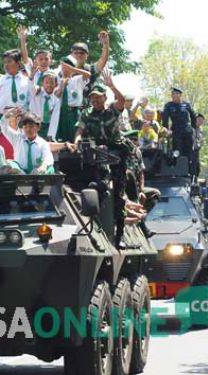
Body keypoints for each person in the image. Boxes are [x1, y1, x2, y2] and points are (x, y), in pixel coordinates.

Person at [74, 70, 129, 248]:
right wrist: (76, 141)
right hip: (98, 152)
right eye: (92, 98)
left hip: (117, 152)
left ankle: (119, 237)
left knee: (119, 197)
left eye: (98, 97)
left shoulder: (112, 110)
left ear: (105, 97)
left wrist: (112, 86)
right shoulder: (87, 114)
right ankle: (99, 188)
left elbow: (122, 102)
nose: (95, 101)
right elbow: (80, 130)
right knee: (98, 180)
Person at [1, 109, 55, 174]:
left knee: (50, 168)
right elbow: (3, 127)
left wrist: (43, 166)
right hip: (20, 171)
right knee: (10, 163)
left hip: (37, 172)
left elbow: (48, 157)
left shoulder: (43, 143)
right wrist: (7, 115)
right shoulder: (17, 138)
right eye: (25, 127)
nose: (28, 129)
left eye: (31, 127)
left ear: (38, 128)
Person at [51, 55, 91, 142]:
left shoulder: (77, 80)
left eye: (66, 67)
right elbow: (57, 95)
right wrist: (62, 85)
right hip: (62, 113)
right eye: (62, 67)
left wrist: (73, 69)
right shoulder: (58, 80)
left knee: (75, 135)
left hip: (74, 112)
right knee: (62, 137)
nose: (64, 69)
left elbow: (88, 75)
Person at [69, 31, 110, 105]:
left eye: (82, 53)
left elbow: (103, 60)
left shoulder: (92, 69)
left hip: (87, 111)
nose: (78, 55)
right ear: (71, 55)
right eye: (75, 53)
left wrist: (105, 44)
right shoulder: (64, 72)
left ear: (87, 55)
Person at [0, 49, 31, 119]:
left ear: (18, 63)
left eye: (9, 61)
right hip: (2, 118)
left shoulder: (27, 81)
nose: (6, 65)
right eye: (5, 62)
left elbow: (30, 102)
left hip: (21, 119)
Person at [161, 87, 198, 164]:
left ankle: (189, 165)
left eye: (176, 94)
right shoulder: (169, 105)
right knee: (177, 149)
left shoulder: (186, 104)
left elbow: (193, 116)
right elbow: (165, 119)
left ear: (180, 95)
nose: (174, 96)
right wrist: (166, 129)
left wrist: (194, 128)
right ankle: (177, 165)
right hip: (176, 130)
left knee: (189, 148)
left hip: (186, 129)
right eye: (173, 94)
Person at [28, 71, 60, 140]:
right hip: (35, 125)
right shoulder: (37, 93)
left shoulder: (56, 100)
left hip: (48, 127)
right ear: (42, 83)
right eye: (46, 82)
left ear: (56, 84)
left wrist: (51, 135)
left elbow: (55, 119)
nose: (49, 85)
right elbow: (31, 88)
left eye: (52, 82)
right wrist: (31, 78)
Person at [192, 114, 206, 180]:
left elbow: (201, 139)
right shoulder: (190, 128)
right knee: (192, 167)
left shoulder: (200, 129)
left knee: (197, 168)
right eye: (199, 120)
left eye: (202, 121)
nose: (200, 122)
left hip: (196, 150)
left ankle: (195, 179)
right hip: (190, 150)